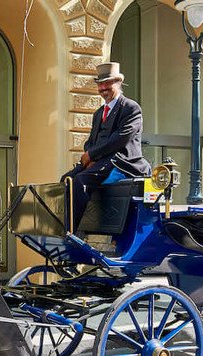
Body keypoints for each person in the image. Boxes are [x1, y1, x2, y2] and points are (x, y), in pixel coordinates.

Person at [61, 62, 150, 232]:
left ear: (117, 83)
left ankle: (73, 232)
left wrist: (92, 155)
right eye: (100, 84)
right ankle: (61, 225)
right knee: (66, 180)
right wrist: (89, 155)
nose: (103, 88)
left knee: (80, 182)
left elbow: (119, 140)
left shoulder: (131, 108)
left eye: (107, 83)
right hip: (100, 160)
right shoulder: (98, 113)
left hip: (122, 160)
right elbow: (91, 141)